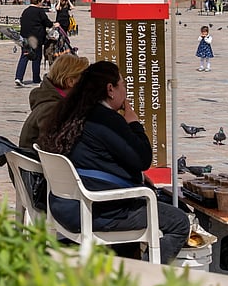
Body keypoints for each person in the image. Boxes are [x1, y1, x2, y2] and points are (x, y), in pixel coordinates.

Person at [38, 60, 190, 264]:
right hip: (96, 210)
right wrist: (134, 123)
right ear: (111, 89)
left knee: (141, 201)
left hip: (62, 205)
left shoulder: (68, 112)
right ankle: (145, 276)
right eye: (123, 85)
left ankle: (124, 265)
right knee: (178, 222)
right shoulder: (106, 119)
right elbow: (143, 159)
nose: (125, 91)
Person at [18, 53, 90, 150]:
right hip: (38, 158)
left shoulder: (51, 100)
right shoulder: (52, 109)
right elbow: (54, 147)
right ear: (70, 82)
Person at [16, 0, 52, 88]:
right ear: (39, 1)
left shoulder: (26, 11)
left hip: (25, 37)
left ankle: (19, 77)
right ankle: (36, 78)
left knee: (24, 56)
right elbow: (47, 22)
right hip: (36, 38)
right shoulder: (39, 11)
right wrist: (53, 24)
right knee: (36, 58)